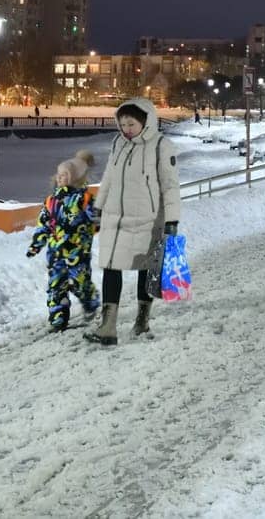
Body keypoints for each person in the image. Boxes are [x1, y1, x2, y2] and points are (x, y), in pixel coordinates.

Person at [87, 98, 180, 346]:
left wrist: (172, 220)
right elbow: (108, 178)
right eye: (123, 123)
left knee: (144, 268)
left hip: (147, 219)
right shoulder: (118, 143)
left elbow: (170, 186)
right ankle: (108, 326)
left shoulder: (161, 146)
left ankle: (142, 320)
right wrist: (98, 208)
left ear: (146, 122)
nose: (126, 128)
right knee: (110, 267)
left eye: (131, 123)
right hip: (114, 218)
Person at [25, 150, 100, 332]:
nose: (60, 178)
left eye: (65, 175)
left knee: (80, 281)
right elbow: (44, 224)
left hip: (77, 250)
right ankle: (58, 315)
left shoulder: (85, 199)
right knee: (56, 284)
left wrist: (91, 228)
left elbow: (97, 220)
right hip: (56, 251)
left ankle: (90, 301)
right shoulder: (51, 201)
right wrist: (37, 244)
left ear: (75, 178)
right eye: (58, 175)